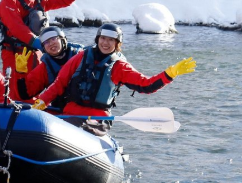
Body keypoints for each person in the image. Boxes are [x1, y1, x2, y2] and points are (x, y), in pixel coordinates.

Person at [32, 23, 196, 134]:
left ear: (117, 44)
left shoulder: (119, 66)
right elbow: (59, 84)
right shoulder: (81, 57)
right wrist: (41, 102)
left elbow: (146, 85)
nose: (106, 43)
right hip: (69, 115)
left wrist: (169, 74)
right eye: (103, 38)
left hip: (97, 120)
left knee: (77, 128)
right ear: (97, 39)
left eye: (111, 40)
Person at [0, 0, 96, 101]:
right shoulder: (7, 2)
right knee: (16, 90)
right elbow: (17, 27)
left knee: (36, 86)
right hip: (15, 53)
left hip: (37, 51)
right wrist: (38, 42)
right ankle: (12, 109)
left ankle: (39, 109)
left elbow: (64, 0)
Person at [15, 26, 84, 111]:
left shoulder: (82, 56)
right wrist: (20, 73)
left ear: (62, 39)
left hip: (85, 106)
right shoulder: (45, 67)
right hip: (60, 109)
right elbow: (26, 94)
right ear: (43, 48)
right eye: (46, 42)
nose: (51, 43)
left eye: (53, 39)